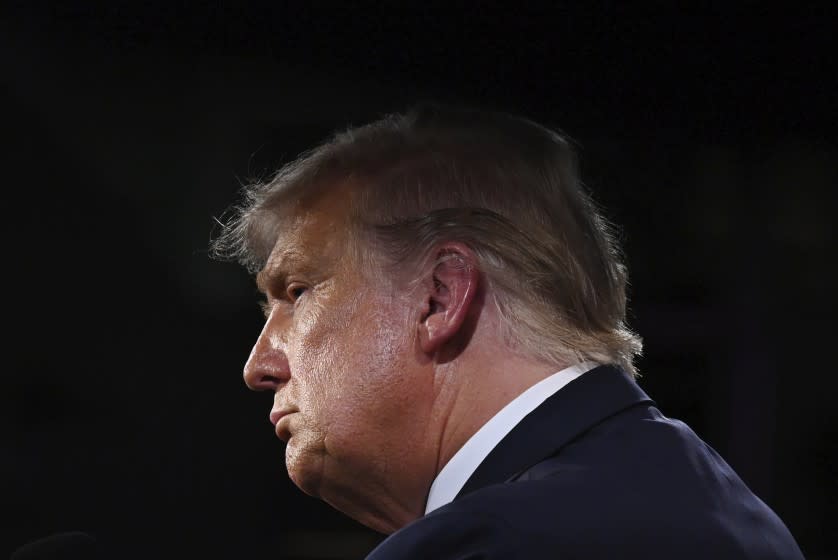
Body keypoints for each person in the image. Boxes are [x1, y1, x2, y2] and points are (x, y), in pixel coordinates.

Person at [211, 104, 804, 559]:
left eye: (297, 293)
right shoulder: (729, 511)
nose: (258, 365)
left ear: (440, 297)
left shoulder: (491, 543)